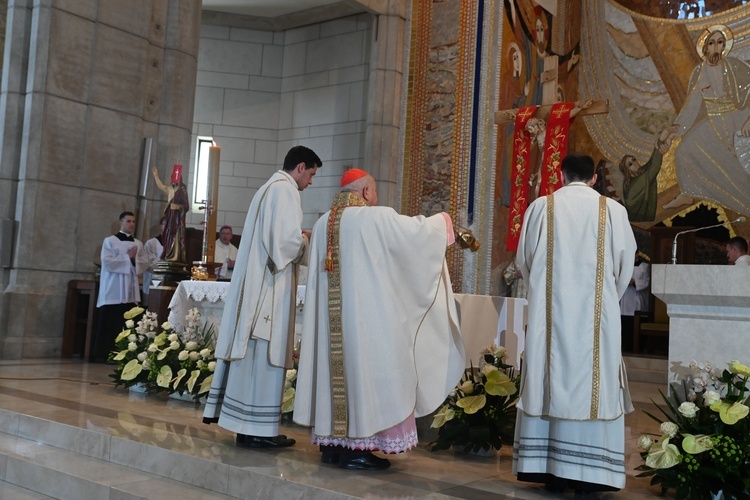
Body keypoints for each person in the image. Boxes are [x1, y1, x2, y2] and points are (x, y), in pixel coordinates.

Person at [293, 169, 465, 471]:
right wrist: (444, 223)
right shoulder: (374, 218)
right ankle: (358, 445)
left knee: (333, 373)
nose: (376, 198)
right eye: (375, 191)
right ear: (366, 192)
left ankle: (333, 445)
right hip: (363, 326)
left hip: (332, 330)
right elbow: (416, 235)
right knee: (366, 377)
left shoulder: (322, 224)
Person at [513, 153, 637, 493]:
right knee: (593, 384)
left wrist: (543, 292)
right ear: (594, 178)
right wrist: (606, 298)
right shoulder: (613, 211)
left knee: (547, 378)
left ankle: (547, 468)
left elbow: (524, 260)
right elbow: (625, 265)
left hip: (548, 317)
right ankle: (590, 472)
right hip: (597, 319)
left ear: (561, 174)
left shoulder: (541, 208)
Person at [202, 145, 321, 449]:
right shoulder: (285, 191)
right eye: (310, 175)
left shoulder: (267, 188)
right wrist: (310, 243)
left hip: (257, 287)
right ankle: (258, 430)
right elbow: (285, 244)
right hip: (268, 292)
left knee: (253, 359)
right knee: (262, 358)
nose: (310, 182)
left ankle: (247, 427)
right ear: (300, 167)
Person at [662, 24, 750, 214]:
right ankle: (688, 192)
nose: (716, 48)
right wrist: (673, 132)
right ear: (705, 48)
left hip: (739, 116)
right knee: (683, 151)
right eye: (712, 43)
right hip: (715, 122)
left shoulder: (734, 66)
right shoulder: (699, 73)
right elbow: (691, 108)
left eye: (720, 43)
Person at [93, 211, 148, 361]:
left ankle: (127, 356)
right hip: (114, 289)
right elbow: (107, 262)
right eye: (128, 221)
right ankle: (105, 354)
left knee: (128, 323)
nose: (131, 224)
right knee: (110, 322)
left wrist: (134, 260)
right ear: (121, 223)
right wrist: (127, 257)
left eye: (133, 222)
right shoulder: (110, 241)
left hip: (130, 288)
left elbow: (143, 263)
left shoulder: (138, 243)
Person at [619, 126, 677, 222]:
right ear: (628, 171)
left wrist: (660, 144)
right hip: (639, 222)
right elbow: (653, 169)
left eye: (634, 160)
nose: (634, 163)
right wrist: (660, 140)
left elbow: (650, 164)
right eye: (630, 164)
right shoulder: (634, 185)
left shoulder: (640, 174)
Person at [151, 164, 189, 263]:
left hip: (177, 219)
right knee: (167, 235)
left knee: (175, 236)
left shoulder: (182, 191)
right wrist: (156, 176)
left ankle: (175, 255)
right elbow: (160, 186)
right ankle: (168, 254)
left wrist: (178, 207)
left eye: (176, 177)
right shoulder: (170, 189)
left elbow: (186, 206)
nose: (173, 179)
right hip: (169, 216)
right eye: (172, 177)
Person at [620, 252, 650, 352]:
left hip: (637, 299)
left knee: (636, 323)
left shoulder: (645, 266)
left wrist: (635, 282)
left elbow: (647, 282)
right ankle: (625, 346)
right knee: (625, 324)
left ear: (637, 254)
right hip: (626, 298)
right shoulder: (624, 265)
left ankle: (638, 347)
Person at [142, 216, 166, 305]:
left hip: (167, 283)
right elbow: (148, 263)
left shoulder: (175, 245)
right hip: (152, 282)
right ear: (161, 226)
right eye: (165, 224)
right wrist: (166, 266)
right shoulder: (151, 243)